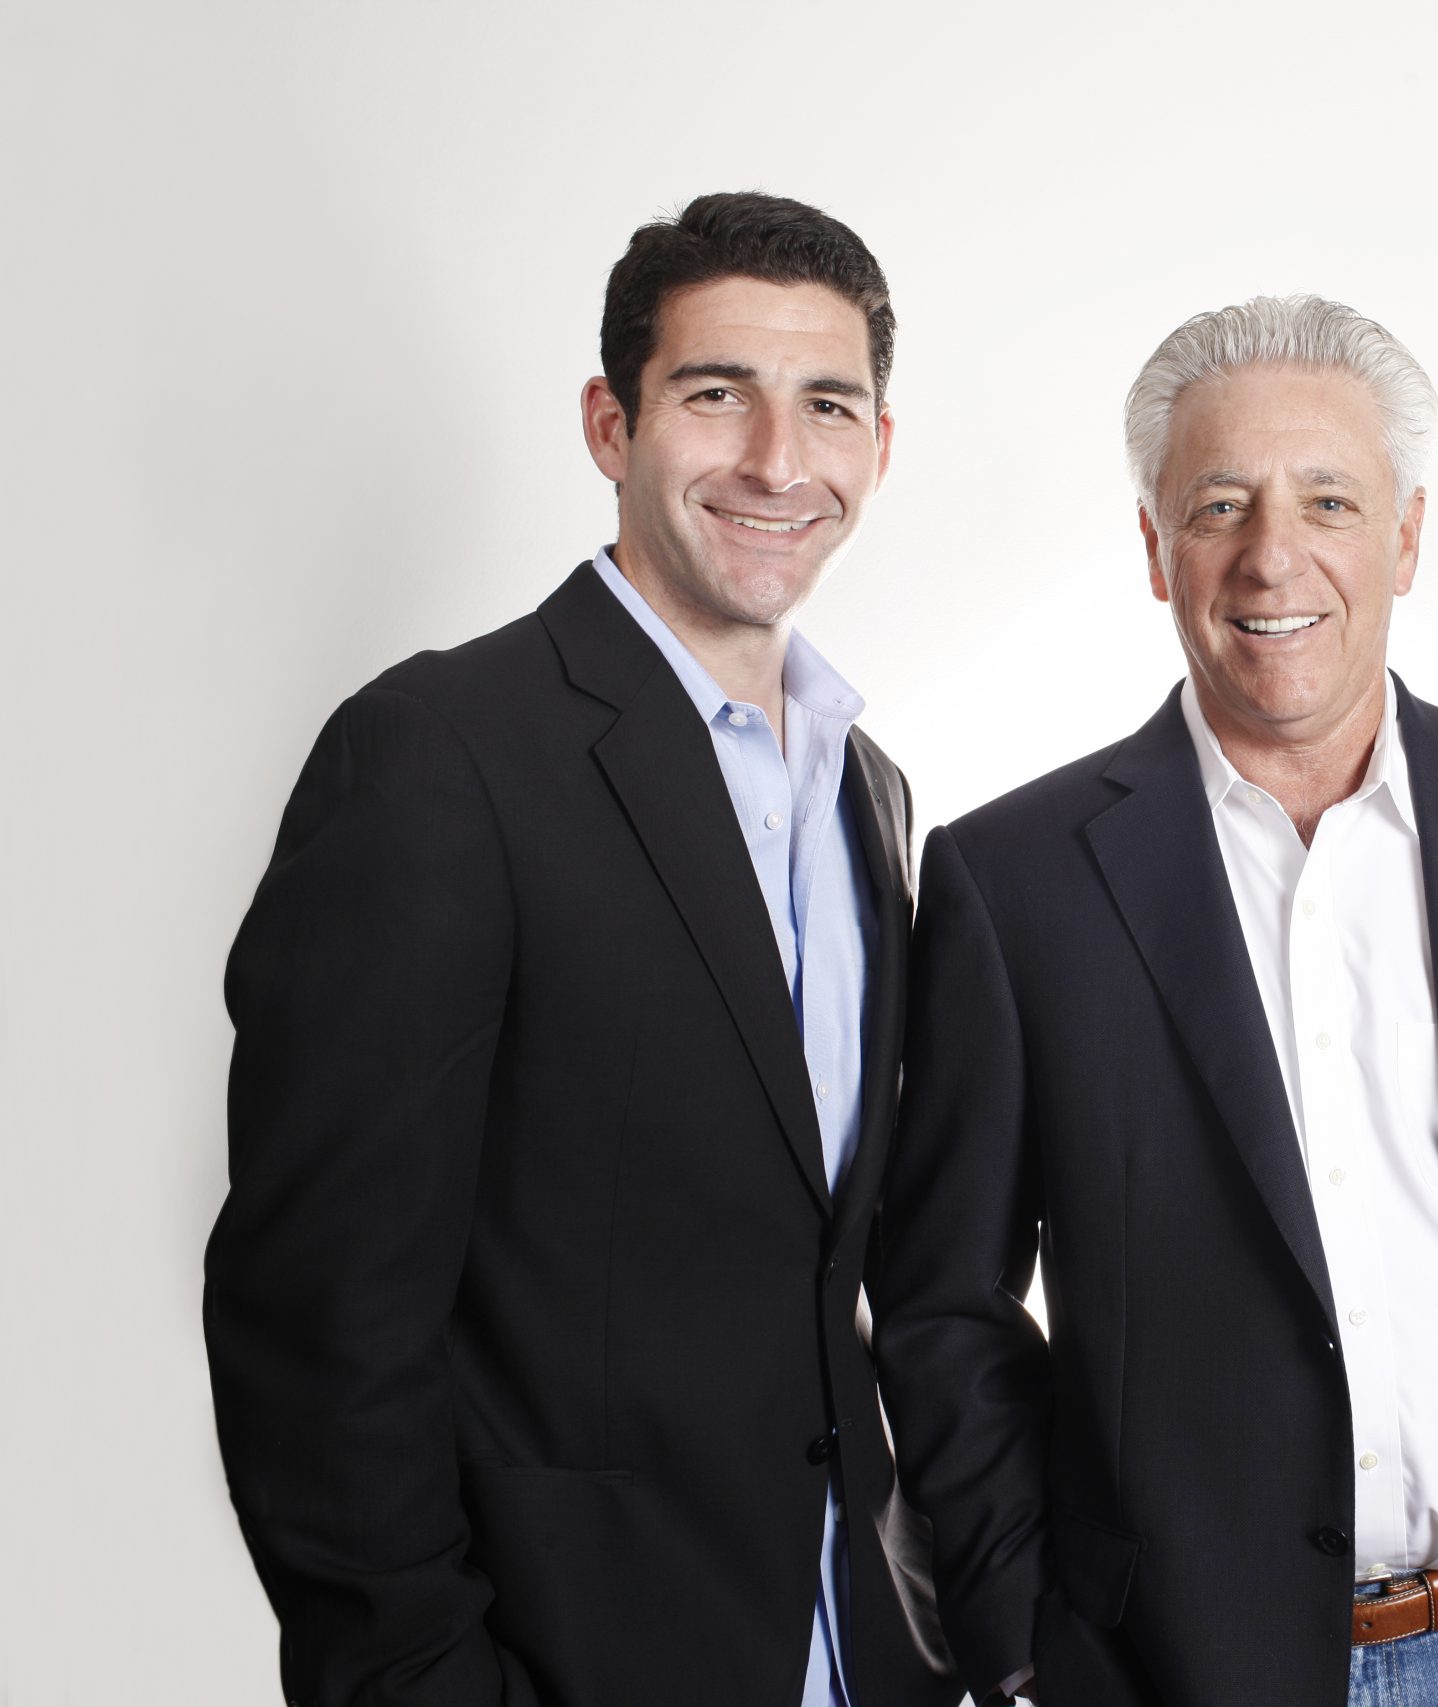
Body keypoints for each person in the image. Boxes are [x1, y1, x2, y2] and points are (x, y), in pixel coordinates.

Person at [871, 295, 1438, 1706]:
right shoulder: (1013, 881)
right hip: (1181, 1673)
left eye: (1328, 499)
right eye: (1218, 503)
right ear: (1154, 548)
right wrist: (1032, 1642)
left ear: (1403, 537)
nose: (1271, 555)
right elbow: (941, 1301)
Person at [205, 191, 956, 1707]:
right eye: (713, 396)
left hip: (859, 1657)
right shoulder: (439, 756)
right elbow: (317, 1320)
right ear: (612, 426)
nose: (774, 460)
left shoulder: (869, 793)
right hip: (575, 1661)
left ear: (881, 447)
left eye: (827, 406)